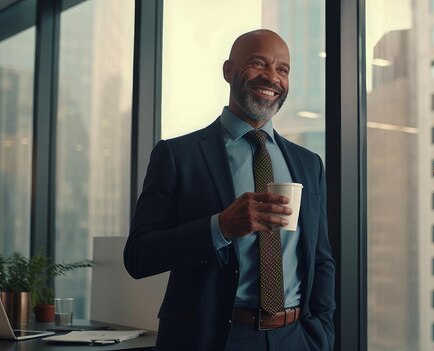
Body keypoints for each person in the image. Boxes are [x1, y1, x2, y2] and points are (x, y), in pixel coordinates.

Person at [123, 29, 335, 351]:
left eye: (283, 69)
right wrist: (219, 226)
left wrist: (320, 335)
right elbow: (139, 256)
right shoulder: (179, 155)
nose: (272, 77)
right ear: (228, 71)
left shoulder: (308, 163)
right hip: (212, 338)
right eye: (258, 63)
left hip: (294, 338)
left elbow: (321, 260)